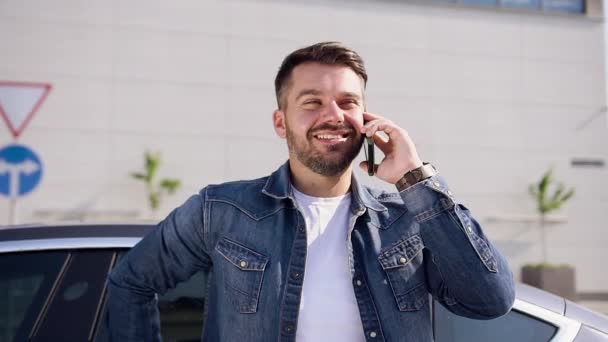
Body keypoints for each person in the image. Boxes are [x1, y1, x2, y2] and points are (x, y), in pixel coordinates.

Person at [107, 41, 515, 342]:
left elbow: (490, 300)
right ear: (280, 122)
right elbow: (131, 283)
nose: (333, 115)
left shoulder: (406, 218)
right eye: (312, 102)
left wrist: (415, 179)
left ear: (365, 118)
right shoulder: (220, 211)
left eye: (347, 102)